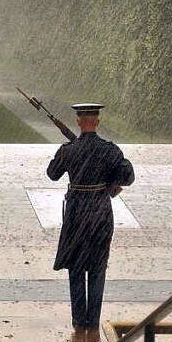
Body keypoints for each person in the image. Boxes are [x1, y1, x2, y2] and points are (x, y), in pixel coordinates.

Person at [47, 103, 134, 329]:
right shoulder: (110, 150)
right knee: (97, 267)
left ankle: (78, 319)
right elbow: (127, 176)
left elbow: (52, 174)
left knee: (76, 267)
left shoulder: (69, 149)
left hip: (76, 212)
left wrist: (66, 153)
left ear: (78, 121)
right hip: (100, 211)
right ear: (97, 121)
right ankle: (93, 320)